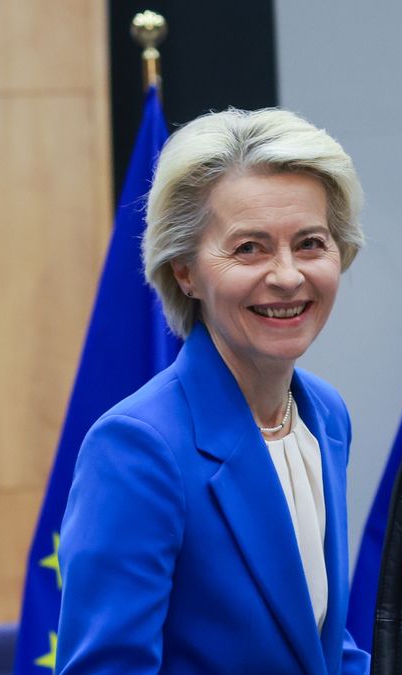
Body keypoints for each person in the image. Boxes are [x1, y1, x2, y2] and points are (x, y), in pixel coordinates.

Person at [56, 108, 369, 674]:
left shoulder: (326, 415)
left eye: (310, 243)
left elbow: (317, 645)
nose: (287, 276)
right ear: (185, 270)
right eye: (249, 248)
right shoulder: (138, 448)